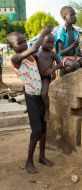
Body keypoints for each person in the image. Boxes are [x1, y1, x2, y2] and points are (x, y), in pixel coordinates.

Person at [7, 26, 54, 174]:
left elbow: (39, 69)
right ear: (12, 47)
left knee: (44, 129)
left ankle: (42, 156)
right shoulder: (16, 58)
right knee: (37, 131)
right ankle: (29, 161)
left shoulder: (32, 57)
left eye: (24, 41)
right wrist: (43, 33)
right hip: (32, 98)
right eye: (19, 43)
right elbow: (34, 48)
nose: (24, 44)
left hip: (40, 95)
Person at [54, 6, 82, 74]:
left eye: (75, 14)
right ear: (65, 18)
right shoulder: (60, 32)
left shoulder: (76, 32)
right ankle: (63, 71)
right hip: (63, 58)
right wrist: (72, 46)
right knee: (75, 65)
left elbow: (77, 49)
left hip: (74, 57)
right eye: (72, 14)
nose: (75, 16)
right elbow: (60, 53)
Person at [36, 33, 63, 121]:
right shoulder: (37, 53)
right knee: (26, 89)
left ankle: (47, 109)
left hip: (45, 78)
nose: (51, 45)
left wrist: (52, 69)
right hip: (36, 78)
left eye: (52, 43)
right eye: (48, 42)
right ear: (41, 41)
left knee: (44, 93)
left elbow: (60, 63)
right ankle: (29, 106)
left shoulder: (52, 54)